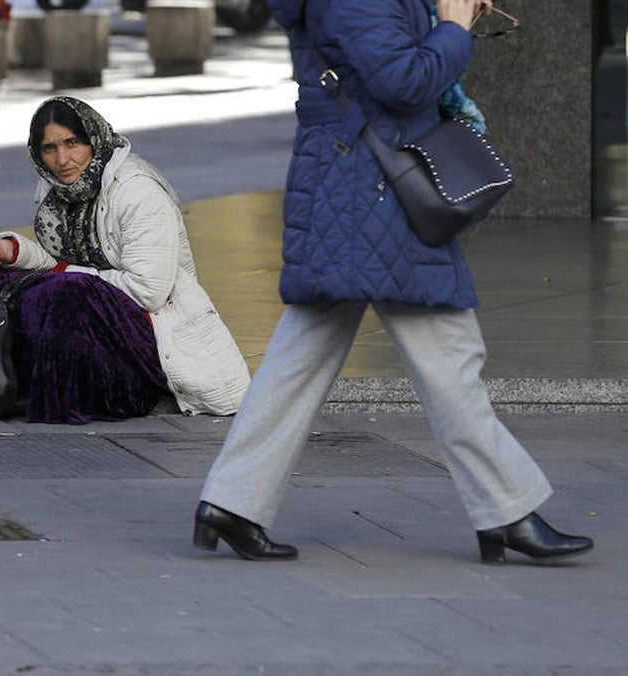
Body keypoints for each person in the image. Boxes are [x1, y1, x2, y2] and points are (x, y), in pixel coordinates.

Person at [194, 0, 595, 564]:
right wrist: (452, 28)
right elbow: (403, 83)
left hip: (354, 186)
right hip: (373, 193)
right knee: (449, 351)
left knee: (302, 354)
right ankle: (508, 513)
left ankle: (232, 502)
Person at [0, 95, 250, 424]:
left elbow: (149, 291)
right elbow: (59, 264)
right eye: (50, 148)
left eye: (72, 143)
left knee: (66, 292)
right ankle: (29, 377)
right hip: (86, 299)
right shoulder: (57, 192)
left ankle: (117, 390)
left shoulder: (138, 192)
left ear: (93, 139)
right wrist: (16, 252)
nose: (62, 159)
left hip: (154, 328)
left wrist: (69, 276)